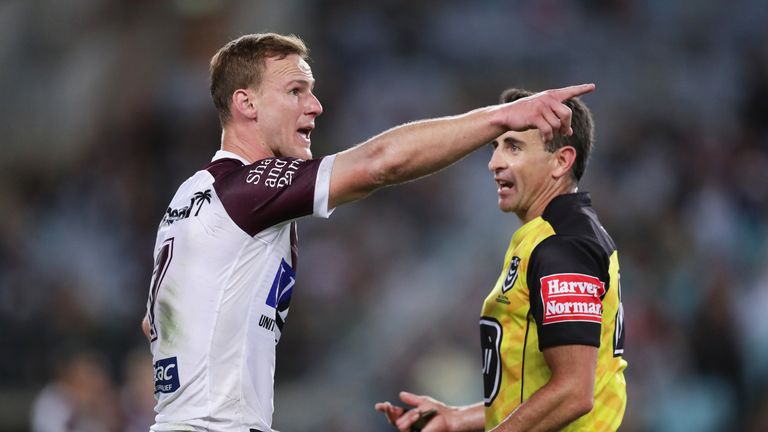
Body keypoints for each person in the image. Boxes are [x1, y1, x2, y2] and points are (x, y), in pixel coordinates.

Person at [141, 32, 594, 432]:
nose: (315, 106)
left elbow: (152, 322)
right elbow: (381, 163)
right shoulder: (248, 188)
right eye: (295, 91)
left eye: (312, 92)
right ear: (246, 104)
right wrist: (502, 118)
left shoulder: (192, 196)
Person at [376, 88, 626, 431]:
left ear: (561, 160)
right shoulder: (544, 236)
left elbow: (573, 391)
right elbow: (538, 385)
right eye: (496, 147)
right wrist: (457, 419)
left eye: (514, 147)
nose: (494, 163)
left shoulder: (563, 245)